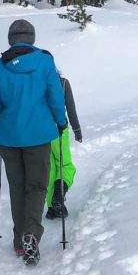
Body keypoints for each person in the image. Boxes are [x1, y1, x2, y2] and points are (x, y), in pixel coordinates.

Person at [0, 19, 66, 266]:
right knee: (37, 187)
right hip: (39, 135)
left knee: (17, 186)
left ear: (10, 39)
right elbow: (55, 96)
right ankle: (31, 232)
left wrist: (7, 115)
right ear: (32, 38)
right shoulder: (44, 61)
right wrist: (60, 121)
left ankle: (20, 242)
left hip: (8, 136)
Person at [46, 72, 83, 220]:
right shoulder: (63, 83)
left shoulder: (35, 82)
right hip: (59, 128)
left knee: (49, 168)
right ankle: (58, 197)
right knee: (65, 165)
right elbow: (71, 109)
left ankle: (51, 208)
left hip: (39, 131)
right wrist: (77, 131)